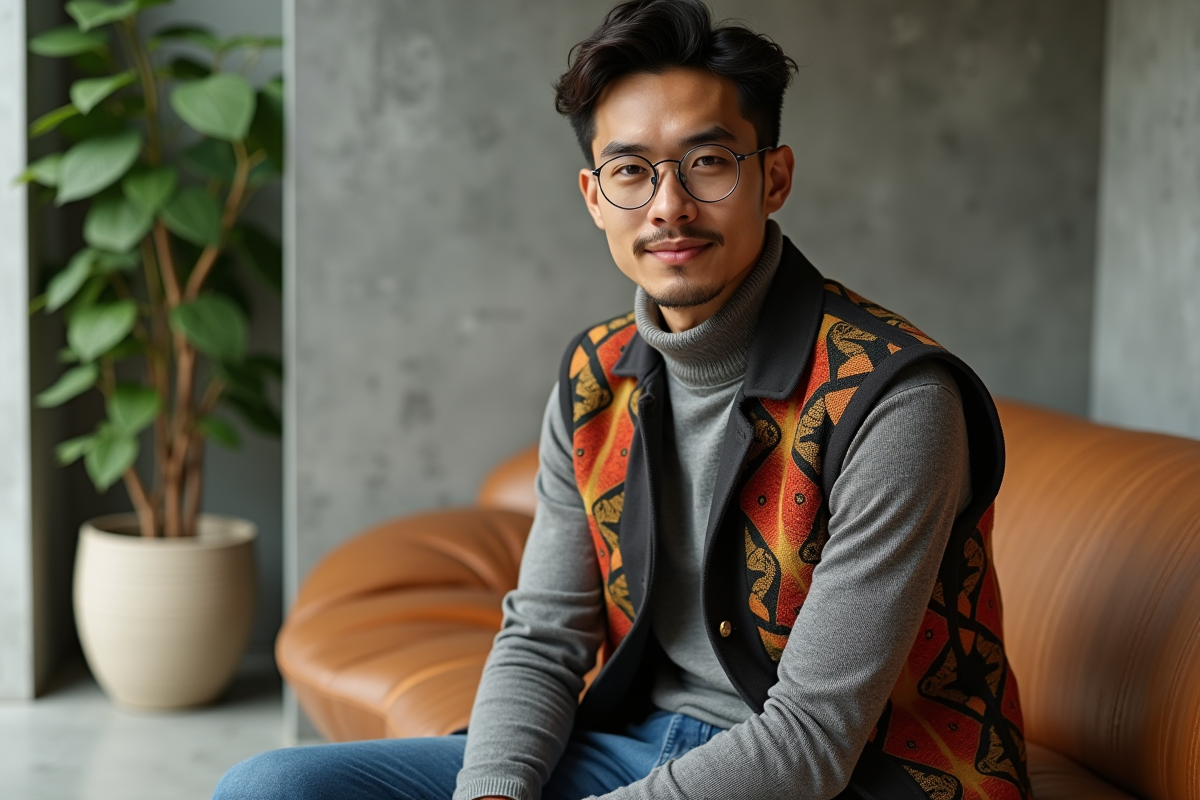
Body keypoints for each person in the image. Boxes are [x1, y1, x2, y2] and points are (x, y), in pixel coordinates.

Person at [215, 1, 1031, 798]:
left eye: (708, 163)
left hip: (850, 777)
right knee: (268, 786)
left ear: (773, 177)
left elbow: (814, 739)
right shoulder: (596, 378)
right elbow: (542, 637)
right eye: (631, 171)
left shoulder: (894, 401)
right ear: (595, 196)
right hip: (637, 746)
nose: (668, 206)